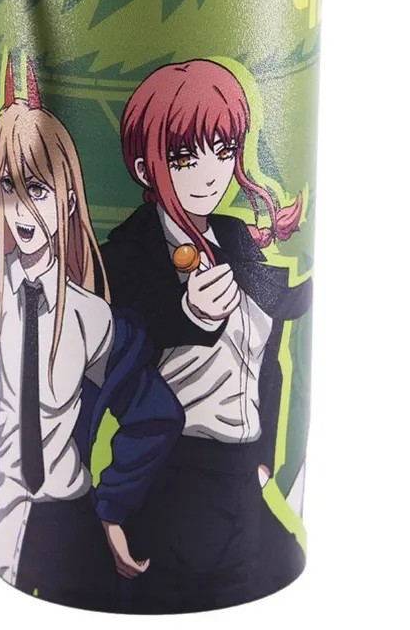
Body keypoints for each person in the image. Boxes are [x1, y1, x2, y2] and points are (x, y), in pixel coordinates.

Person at [100, 58, 312, 613]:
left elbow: (268, 345)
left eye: (223, 149)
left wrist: (263, 455)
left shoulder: (233, 235)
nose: (210, 173)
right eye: (184, 157)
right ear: (145, 168)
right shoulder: (128, 252)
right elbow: (124, 344)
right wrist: (189, 313)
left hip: (243, 475)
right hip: (176, 474)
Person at [0, 58, 183, 610]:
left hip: (64, 514)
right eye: (8, 186)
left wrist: (112, 508)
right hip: (4, 510)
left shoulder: (89, 317)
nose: (22, 210)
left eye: (38, 189)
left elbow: (156, 415)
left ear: (69, 198)